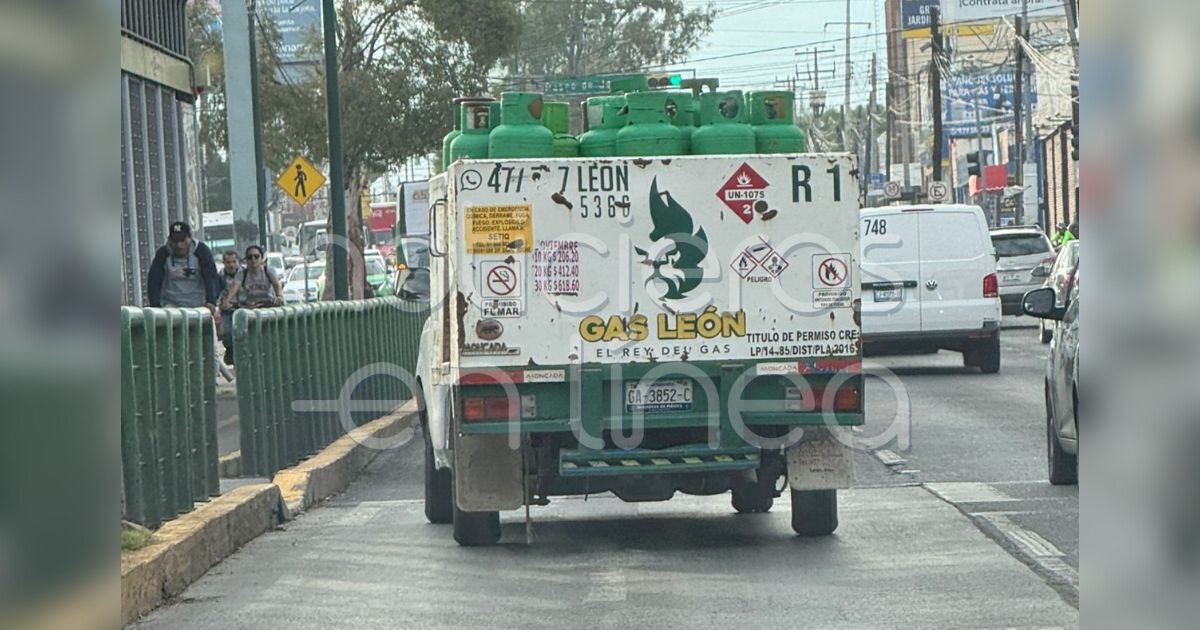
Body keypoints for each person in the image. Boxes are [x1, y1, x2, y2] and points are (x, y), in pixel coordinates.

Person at [147, 221, 220, 313]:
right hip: (171, 306)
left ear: (190, 238)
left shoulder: (201, 251)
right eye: (175, 241)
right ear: (169, 240)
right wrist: (155, 304)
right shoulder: (163, 254)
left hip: (197, 306)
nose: (179, 245)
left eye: (182, 240)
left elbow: (211, 277)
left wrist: (211, 301)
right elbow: (154, 280)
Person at [221, 245, 284, 311]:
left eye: (256, 256)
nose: (253, 260)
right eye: (249, 257)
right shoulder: (242, 273)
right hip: (250, 308)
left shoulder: (269, 271)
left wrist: (279, 297)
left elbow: (277, 285)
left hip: (268, 306)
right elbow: (234, 288)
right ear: (246, 260)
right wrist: (226, 301)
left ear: (262, 258)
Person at [217, 251, 242, 365]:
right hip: (227, 311)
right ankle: (230, 351)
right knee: (226, 333)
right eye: (228, 262)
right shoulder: (220, 276)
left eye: (233, 262)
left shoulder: (244, 274)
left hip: (242, 309)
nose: (231, 265)